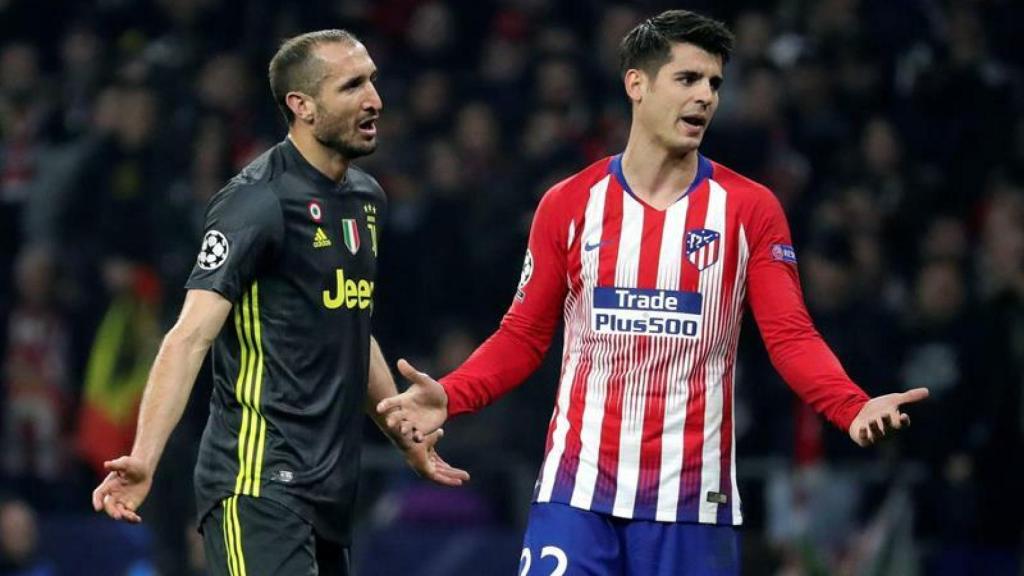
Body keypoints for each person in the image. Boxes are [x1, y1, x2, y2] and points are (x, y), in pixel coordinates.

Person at [377, 11, 928, 576]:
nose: (706, 97)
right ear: (636, 84)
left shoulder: (749, 209)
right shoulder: (569, 204)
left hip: (691, 505)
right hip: (577, 493)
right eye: (688, 79)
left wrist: (851, 404)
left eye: (714, 83)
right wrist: (450, 395)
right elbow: (522, 336)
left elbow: (790, 337)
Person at [91, 29, 468, 576]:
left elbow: (350, 324)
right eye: (353, 86)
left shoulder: (366, 198)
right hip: (256, 484)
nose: (375, 100)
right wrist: (144, 457)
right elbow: (190, 335)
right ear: (303, 106)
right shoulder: (256, 201)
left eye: (373, 82)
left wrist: (401, 432)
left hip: (331, 491)